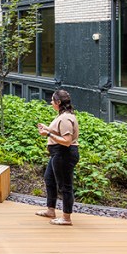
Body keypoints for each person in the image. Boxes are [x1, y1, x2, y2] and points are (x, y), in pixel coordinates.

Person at [36, 89, 80, 225]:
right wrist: (48, 129)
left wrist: (48, 135)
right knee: (49, 178)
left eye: (52, 100)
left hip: (64, 153)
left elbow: (67, 141)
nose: (51, 102)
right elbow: (60, 133)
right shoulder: (63, 115)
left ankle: (66, 218)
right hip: (57, 153)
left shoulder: (66, 118)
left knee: (65, 186)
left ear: (59, 102)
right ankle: (51, 210)